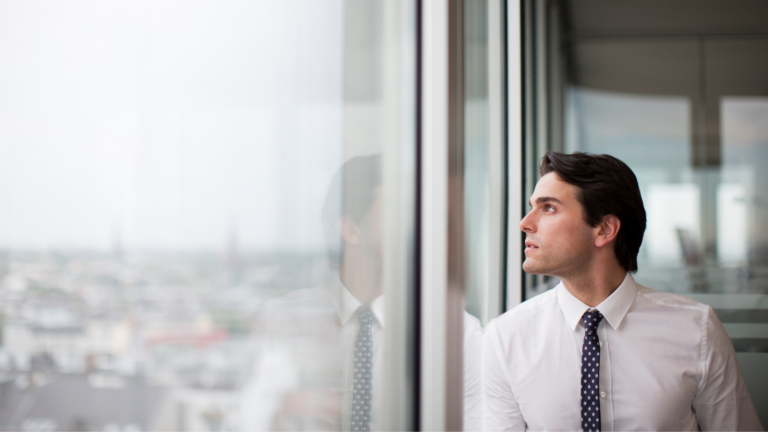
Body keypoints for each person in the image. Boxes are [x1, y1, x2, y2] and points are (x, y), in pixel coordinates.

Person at [482, 151, 763, 431]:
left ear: (604, 229)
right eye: (532, 207)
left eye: (549, 208)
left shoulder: (697, 330)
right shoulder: (506, 338)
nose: (525, 223)